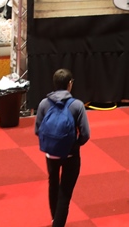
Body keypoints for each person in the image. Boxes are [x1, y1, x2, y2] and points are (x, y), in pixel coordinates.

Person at [34, 69, 90, 227]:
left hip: (51, 154)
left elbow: (37, 130)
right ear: (70, 84)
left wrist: (50, 143)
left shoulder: (44, 104)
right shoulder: (77, 105)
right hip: (71, 155)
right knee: (65, 193)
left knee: (53, 184)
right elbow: (86, 134)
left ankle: (55, 219)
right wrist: (75, 144)